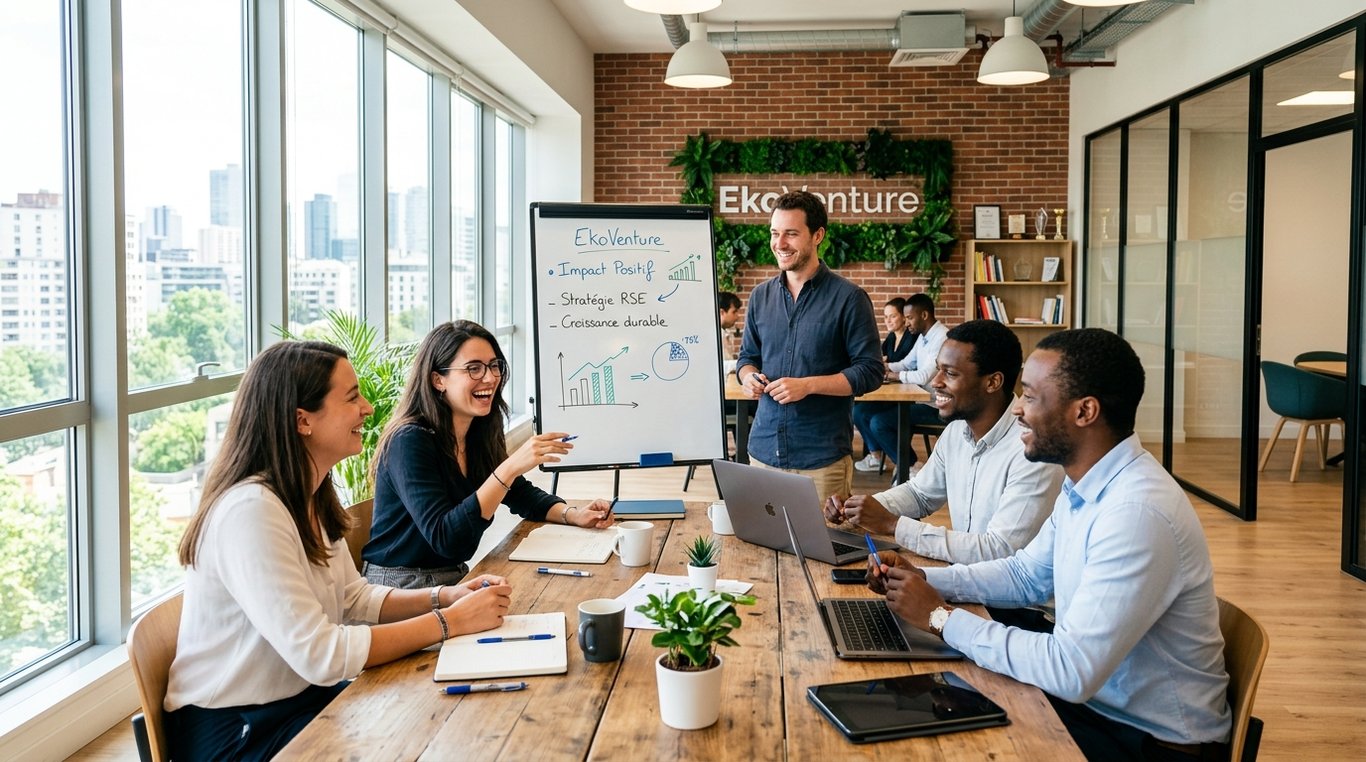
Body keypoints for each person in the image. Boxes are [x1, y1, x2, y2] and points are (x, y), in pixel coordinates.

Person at [869, 328, 1232, 761]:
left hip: (1148, 741)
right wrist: (925, 579)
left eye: (1031, 397)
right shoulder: (1089, 483)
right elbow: (1025, 574)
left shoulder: (1136, 512)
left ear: (1085, 412)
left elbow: (1070, 670)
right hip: (1097, 707)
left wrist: (940, 617)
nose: (1018, 411)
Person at [164, 341, 513, 760]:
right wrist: (447, 623)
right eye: (352, 397)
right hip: (241, 731)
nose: (367, 409)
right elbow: (322, 655)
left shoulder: (306, 494)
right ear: (302, 421)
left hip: (302, 700)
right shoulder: (251, 511)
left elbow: (354, 597)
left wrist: (444, 596)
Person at [363, 320, 615, 589]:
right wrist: (509, 468)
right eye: (474, 368)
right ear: (438, 380)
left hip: (452, 575)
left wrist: (573, 514)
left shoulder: (476, 431)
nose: (490, 377)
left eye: (494, 366)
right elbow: (447, 539)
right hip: (399, 585)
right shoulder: (409, 441)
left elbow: (521, 495)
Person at [827, 319, 1061, 567]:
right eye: (938, 369)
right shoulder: (956, 431)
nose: (936, 381)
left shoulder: (1034, 451)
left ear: (993, 382)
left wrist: (892, 525)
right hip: (964, 578)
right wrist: (862, 508)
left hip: (1007, 601)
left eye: (950, 373)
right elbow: (920, 495)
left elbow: (998, 551)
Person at [735, 190, 884, 501]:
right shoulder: (760, 297)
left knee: (822, 549)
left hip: (821, 460)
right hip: (761, 452)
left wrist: (808, 385)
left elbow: (870, 372)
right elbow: (747, 357)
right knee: (763, 548)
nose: (780, 243)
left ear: (817, 235)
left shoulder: (849, 298)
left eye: (791, 233)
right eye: (775, 233)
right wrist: (747, 376)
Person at [882, 292, 950, 475]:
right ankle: (907, 465)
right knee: (868, 414)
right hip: (920, 400)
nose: (907, 323)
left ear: (925, 315)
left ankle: (910, 466)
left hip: (935, 406)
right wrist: (884, 366)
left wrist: (893, 376)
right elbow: (907, 363)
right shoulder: (923, 336)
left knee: (879, 423)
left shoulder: (942, 338)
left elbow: (923, 376)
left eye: (910, 318)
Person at [852, 296, 917, 474]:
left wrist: (885, 365)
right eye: (885, 317)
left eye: (892, 316)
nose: (887, 321)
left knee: (876, 420)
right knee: (857, 410)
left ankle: (907, 464)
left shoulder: (912, 339)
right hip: (891, 391)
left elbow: (899, 365)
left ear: (904, 317)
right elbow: (878, 360)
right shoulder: (890, 338)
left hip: (907, 395)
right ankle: (875, 456)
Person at [718, 290, 743, 375]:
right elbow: (719, 366)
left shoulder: (728, 333)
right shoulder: (713, 336)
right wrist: (745, 364)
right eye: (734, 312)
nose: (738, 316)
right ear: (722, 312)